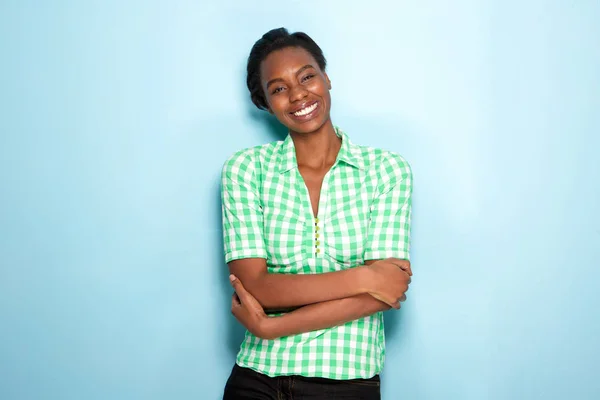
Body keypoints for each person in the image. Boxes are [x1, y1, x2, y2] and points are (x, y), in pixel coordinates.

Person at [220, 27, 413, 400]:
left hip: (346, 381)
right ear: (265, 103)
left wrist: (273, 327)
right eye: (278, 88)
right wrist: (367, 275)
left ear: (326, 78)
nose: (297, 95)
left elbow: (386, 292)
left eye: (307, 76)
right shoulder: (245, 170)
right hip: (256, 377)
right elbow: (255, 287)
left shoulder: (387, 170)